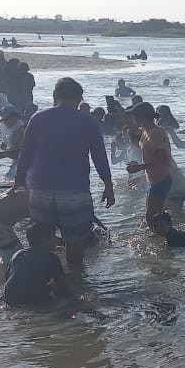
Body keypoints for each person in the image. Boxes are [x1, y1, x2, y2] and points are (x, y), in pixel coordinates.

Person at [14, 78, 115, 273]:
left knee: (42, 238)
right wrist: (108, 185)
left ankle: (42, 278)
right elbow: (99, 156)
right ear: (78, 98)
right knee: (74, 240)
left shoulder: (38, 118)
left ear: (55, 96)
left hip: (40, 188)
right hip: (74, 189)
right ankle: (76, 279)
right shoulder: (88, 122)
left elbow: (25, 153)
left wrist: (19, 181)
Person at [4, 222, 89, 309]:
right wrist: (76, 298)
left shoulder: (17, 254)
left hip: (9, 297)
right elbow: (63, 285)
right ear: (44, 239)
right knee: (67, 299)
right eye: (53, 236)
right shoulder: (51, 257)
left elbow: (8, 277)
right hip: (32, 300)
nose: (56, 240)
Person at [124, 102, 172, 225]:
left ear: (141, 117)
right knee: (153, 217)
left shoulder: (155, 133)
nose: (133, 120)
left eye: (134, 117)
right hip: (155, 180)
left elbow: (162, 159)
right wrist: (139, 168)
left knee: (152, 218)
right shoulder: (146, 131)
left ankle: (168, 236)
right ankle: (163, 235)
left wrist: (139, 167)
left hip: (161, 180)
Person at [0, 106, 27, 176]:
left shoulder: (21, 130)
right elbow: (8, 147)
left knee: (10, 176)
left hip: (24, 159)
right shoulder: (10, 126)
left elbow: (13, 151)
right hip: (16, 157)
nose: (5, 122)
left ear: (14, 117)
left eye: (6, 119)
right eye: (3, 120)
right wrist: (5, 146)